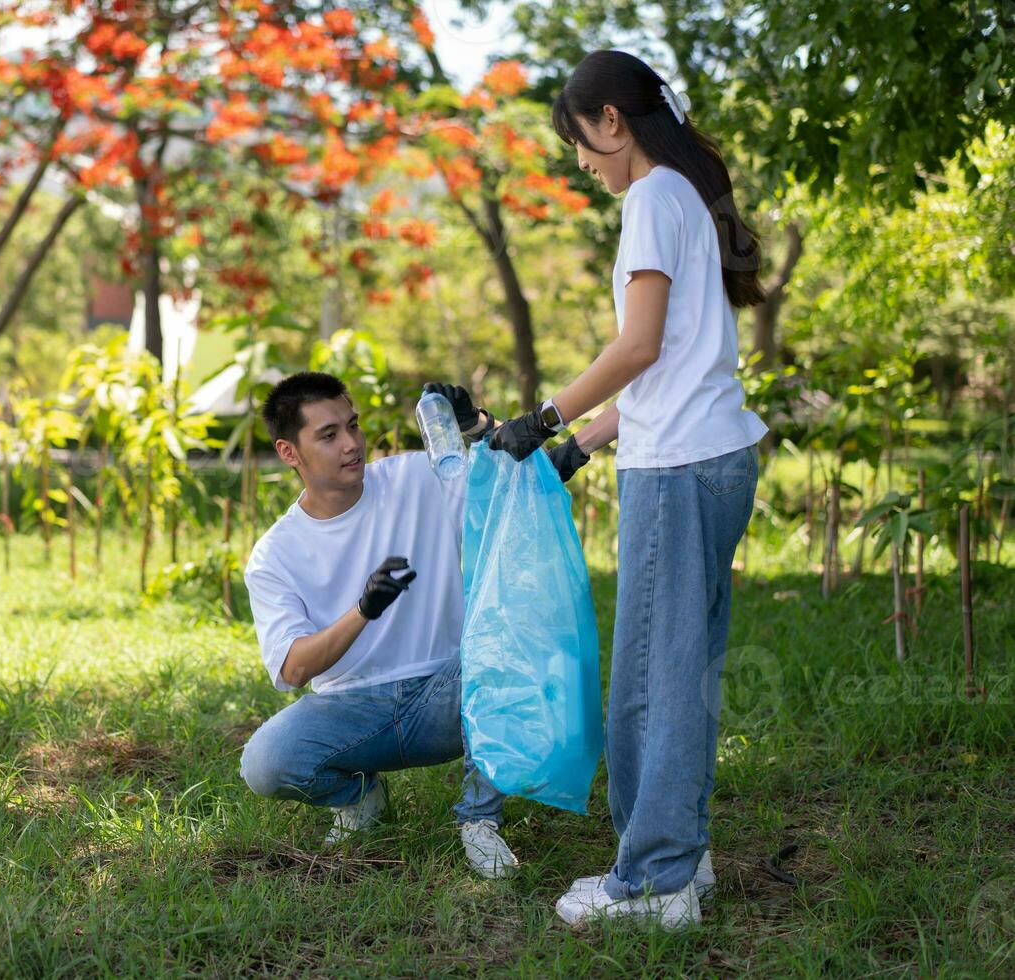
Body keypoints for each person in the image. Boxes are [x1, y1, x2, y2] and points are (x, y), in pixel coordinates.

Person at [483, 50, 767, 927]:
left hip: (680, 475)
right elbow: (676, 365)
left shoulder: (651, 198)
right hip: (711, 459)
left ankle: (654, 882)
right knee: (685, 669)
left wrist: (539, 417)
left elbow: (638, 349)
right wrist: (582, 441)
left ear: (613, 120)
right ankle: (685, 855)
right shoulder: (681, 195)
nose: (580, 162)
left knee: (652, 680)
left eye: (579, 142)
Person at [239, 371, 530, 878]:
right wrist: (363, 611)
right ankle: (361, 797)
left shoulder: (420, 477)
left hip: (449, 689)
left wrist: (479, 425)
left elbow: (513, 473)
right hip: (354, 709)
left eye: (352, 425)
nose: (351, 444)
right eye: (328, 435)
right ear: (290, 453)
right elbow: (292, 668)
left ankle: (480, 823)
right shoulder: (275, 554)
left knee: (508, 643)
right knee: (264, 762)